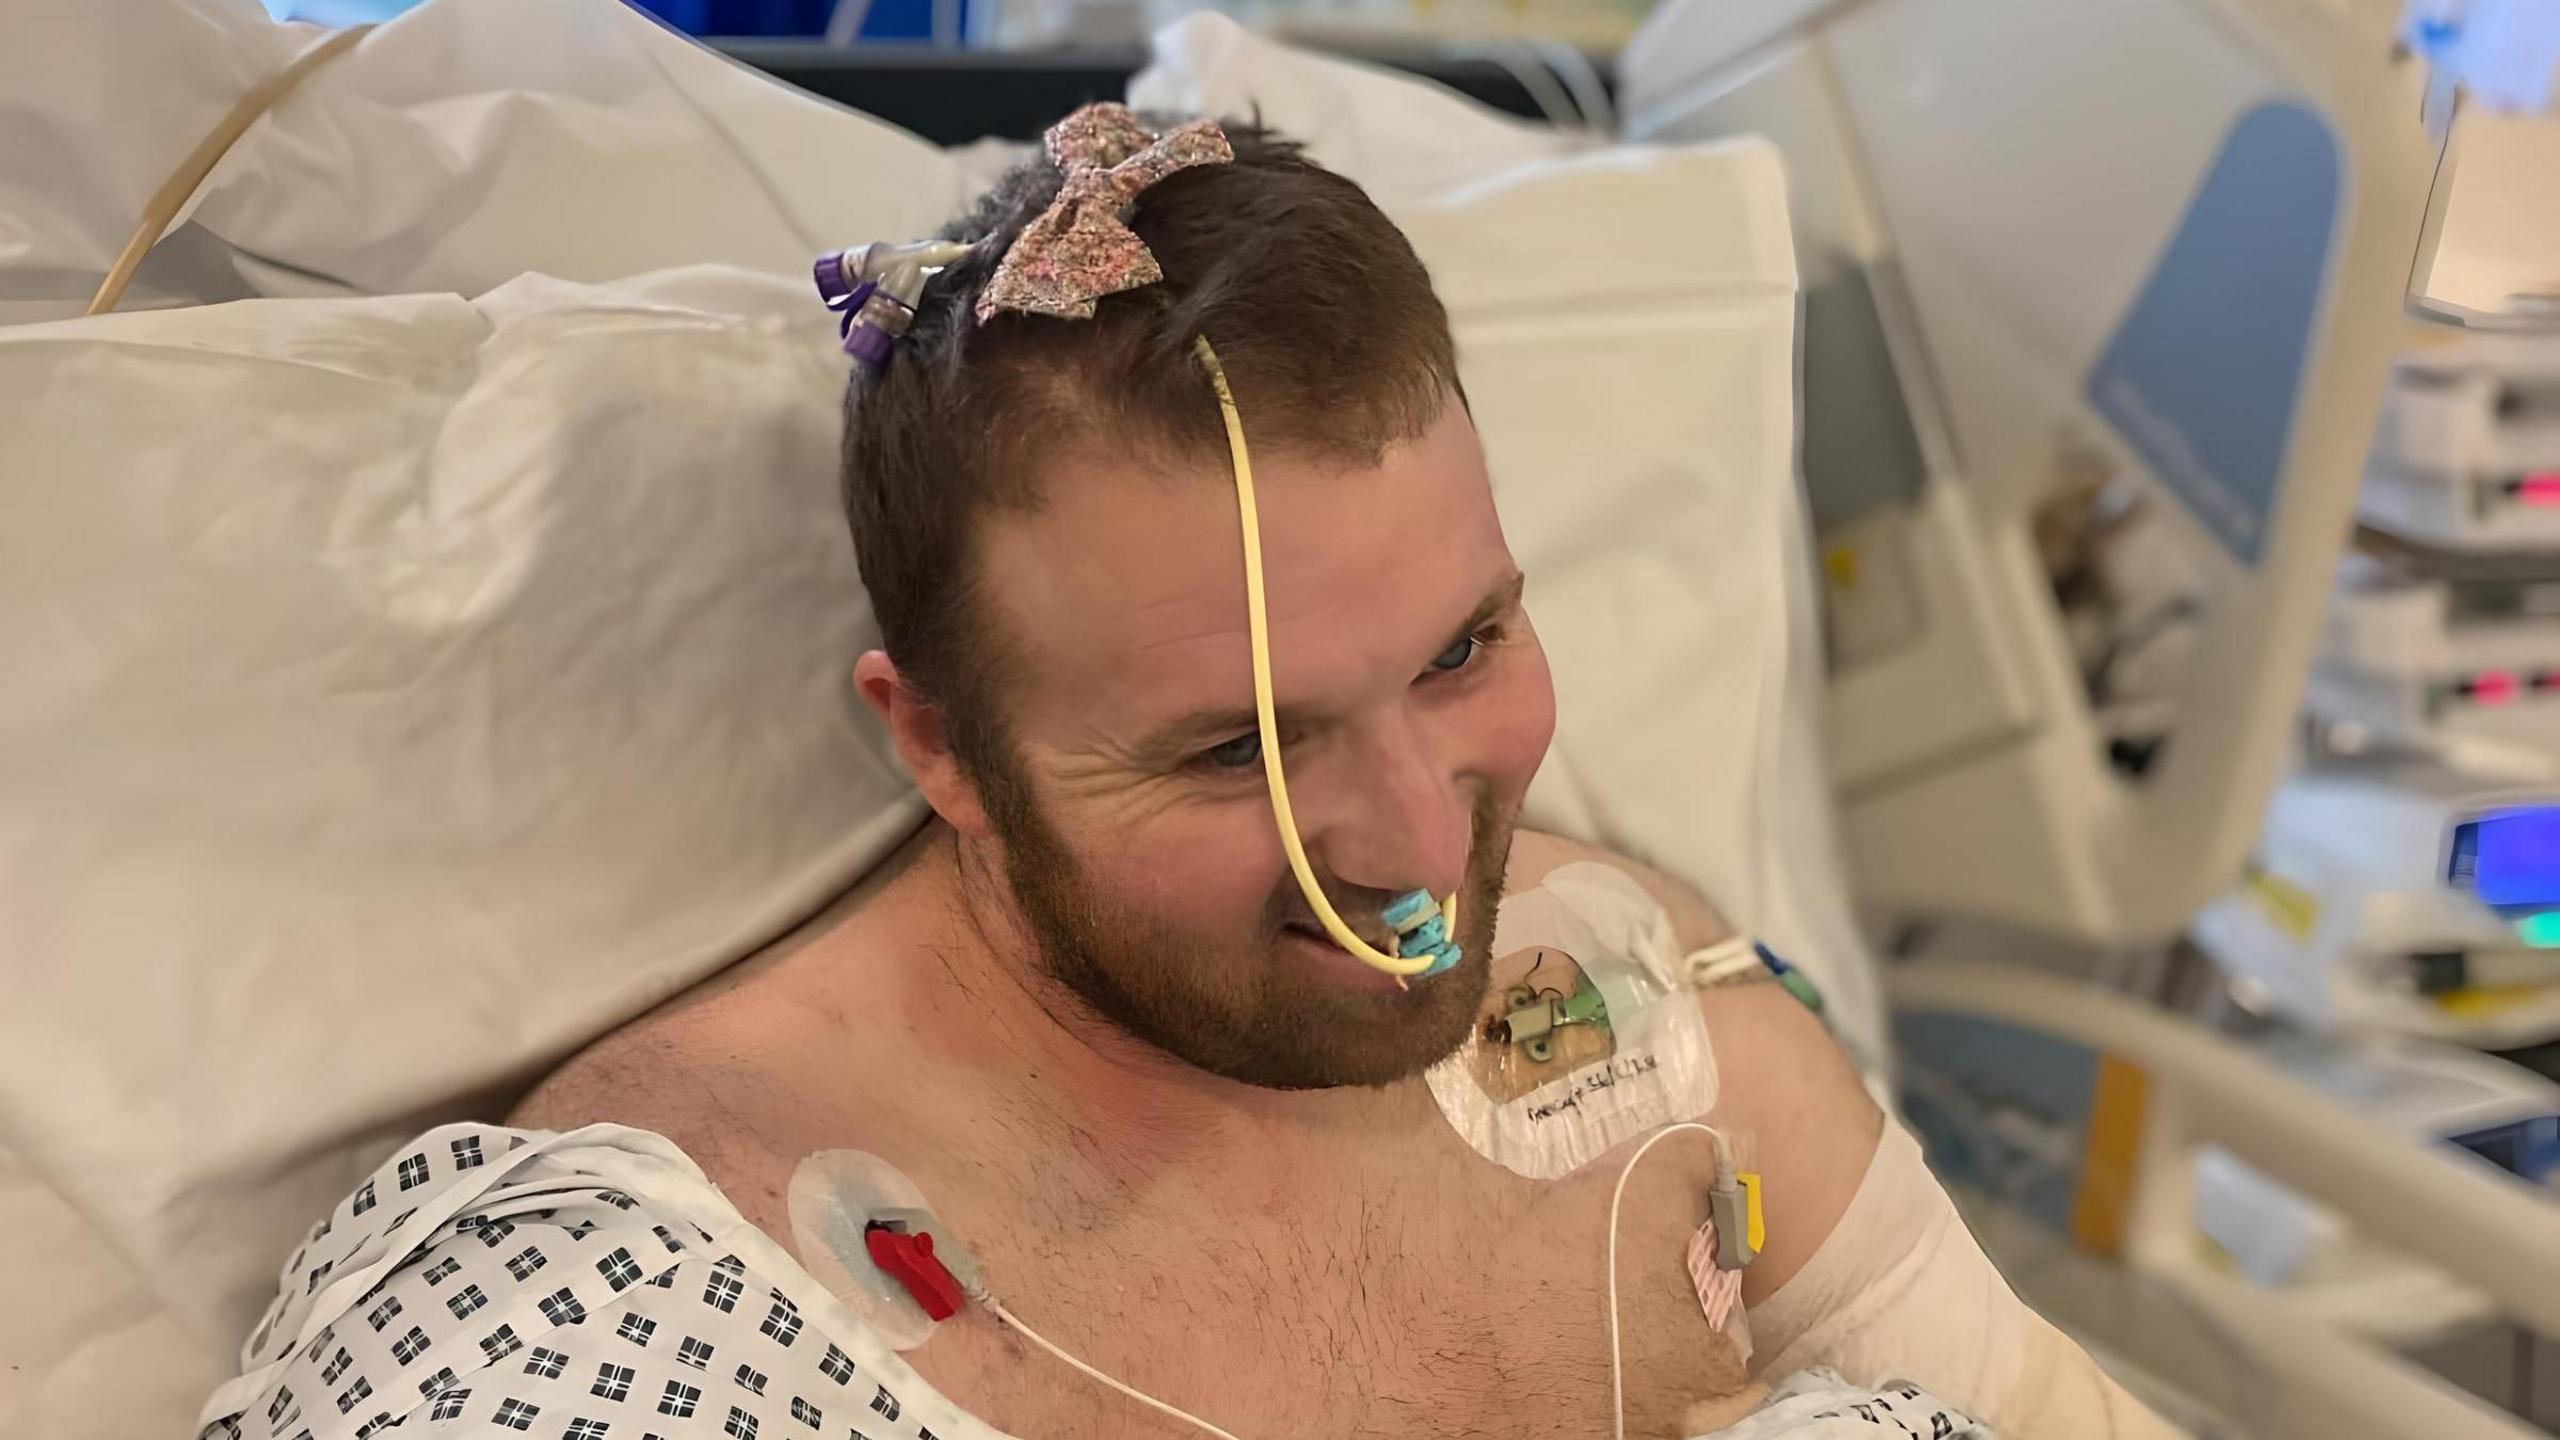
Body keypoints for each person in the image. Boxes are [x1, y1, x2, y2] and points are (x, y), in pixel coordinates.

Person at [200, 107, 2171, 1440]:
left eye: (1461, 649)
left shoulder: (1627, 1010)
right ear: (938, 750)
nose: (1412, 855)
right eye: (1238, 750)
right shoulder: (620, 1311)